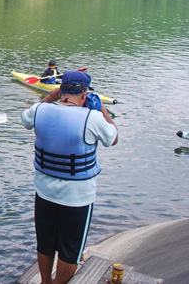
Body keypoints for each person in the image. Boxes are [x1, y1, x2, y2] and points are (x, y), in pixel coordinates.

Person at [21, 71, 118, 284]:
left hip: (44, 192)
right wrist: (101, 107)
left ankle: (45, 281)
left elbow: (25, 119)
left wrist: (48, 98)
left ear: (60, 91)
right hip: (77, 199)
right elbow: (113, 138)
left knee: (45, 244)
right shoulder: (92, 118)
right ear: (84, 95)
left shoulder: (39, 110)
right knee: (70, 251)